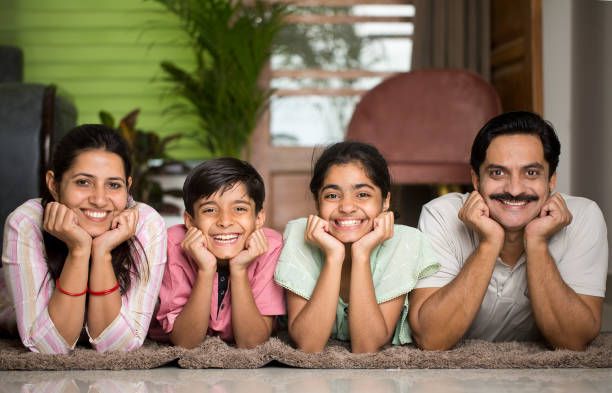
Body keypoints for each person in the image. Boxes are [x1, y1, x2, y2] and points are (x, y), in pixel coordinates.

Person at [409, 111, 608, 351]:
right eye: (498, 173)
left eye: (531, 173)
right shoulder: (441, 215)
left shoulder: (583, 216)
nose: (514, 189)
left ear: (551, 180)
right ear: (475, 179)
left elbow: (573, 341)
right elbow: (432, 339)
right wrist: (489, 243)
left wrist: (536, 243)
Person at [0, 124, 167, 354]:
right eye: (83, 182)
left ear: (128, 187)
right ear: (54, 185)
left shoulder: (146, 223)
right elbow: (48, 346)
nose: (99, 199)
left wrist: (102, 252)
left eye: (113, 185)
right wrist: (79, 250)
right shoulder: (26, 222)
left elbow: (119, 346)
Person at [274, 141, 439, 353]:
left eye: (363, 194)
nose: (347, 207)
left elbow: (366, 346)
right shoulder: (299, 233)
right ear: (317, 202)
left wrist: (361, 254)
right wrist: (334, 256)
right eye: (332, 195)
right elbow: (309, 345)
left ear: (385, 201)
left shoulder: (406, 242)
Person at [149, 158, 285, 349]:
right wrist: (206, 269)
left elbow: (251, 343)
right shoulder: (173, 244)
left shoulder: (269, 246)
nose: (225, 221)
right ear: (190, 221)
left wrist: (239, 269)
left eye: (239, 209)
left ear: (259, 218)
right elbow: (185, 343)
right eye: (210, 210)